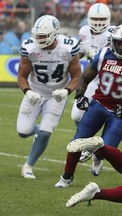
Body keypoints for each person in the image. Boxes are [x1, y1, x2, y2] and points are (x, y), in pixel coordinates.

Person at [54, 24, 122, 188]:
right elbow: (84, 78)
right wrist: (80, 95)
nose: (121, 47)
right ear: (113, 41)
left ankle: (97, 154)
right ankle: (66, 177)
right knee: (76, 142)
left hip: (119, 112)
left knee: (107, 149)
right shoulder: (104, 54)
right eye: (119, 42)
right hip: (98, 105)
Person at [72, 3, 122, 164]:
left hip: (110, 77)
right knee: (77, 114)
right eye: (94, 19)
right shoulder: (83, 31)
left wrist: (91, 52)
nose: (97, 22)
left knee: (117, 117)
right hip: (93, 77)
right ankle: (90, 144)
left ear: (108, 19)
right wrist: (75, 55)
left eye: (101, 19)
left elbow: (115, 55)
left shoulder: (114, 32)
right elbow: (81, 53)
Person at [17, 15, 82, 179]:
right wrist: (28, 91)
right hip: (35, 92)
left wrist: (66, 91)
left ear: (55, 34)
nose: (38, 39)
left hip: (56, 95)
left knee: (46, 131)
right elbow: (22, 76)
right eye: (37, 35)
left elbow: (76, 76)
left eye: (43, 36)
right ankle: (37, 134)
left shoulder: (68, 47)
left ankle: (28, 166)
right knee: (23, 132)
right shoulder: (29, 47)